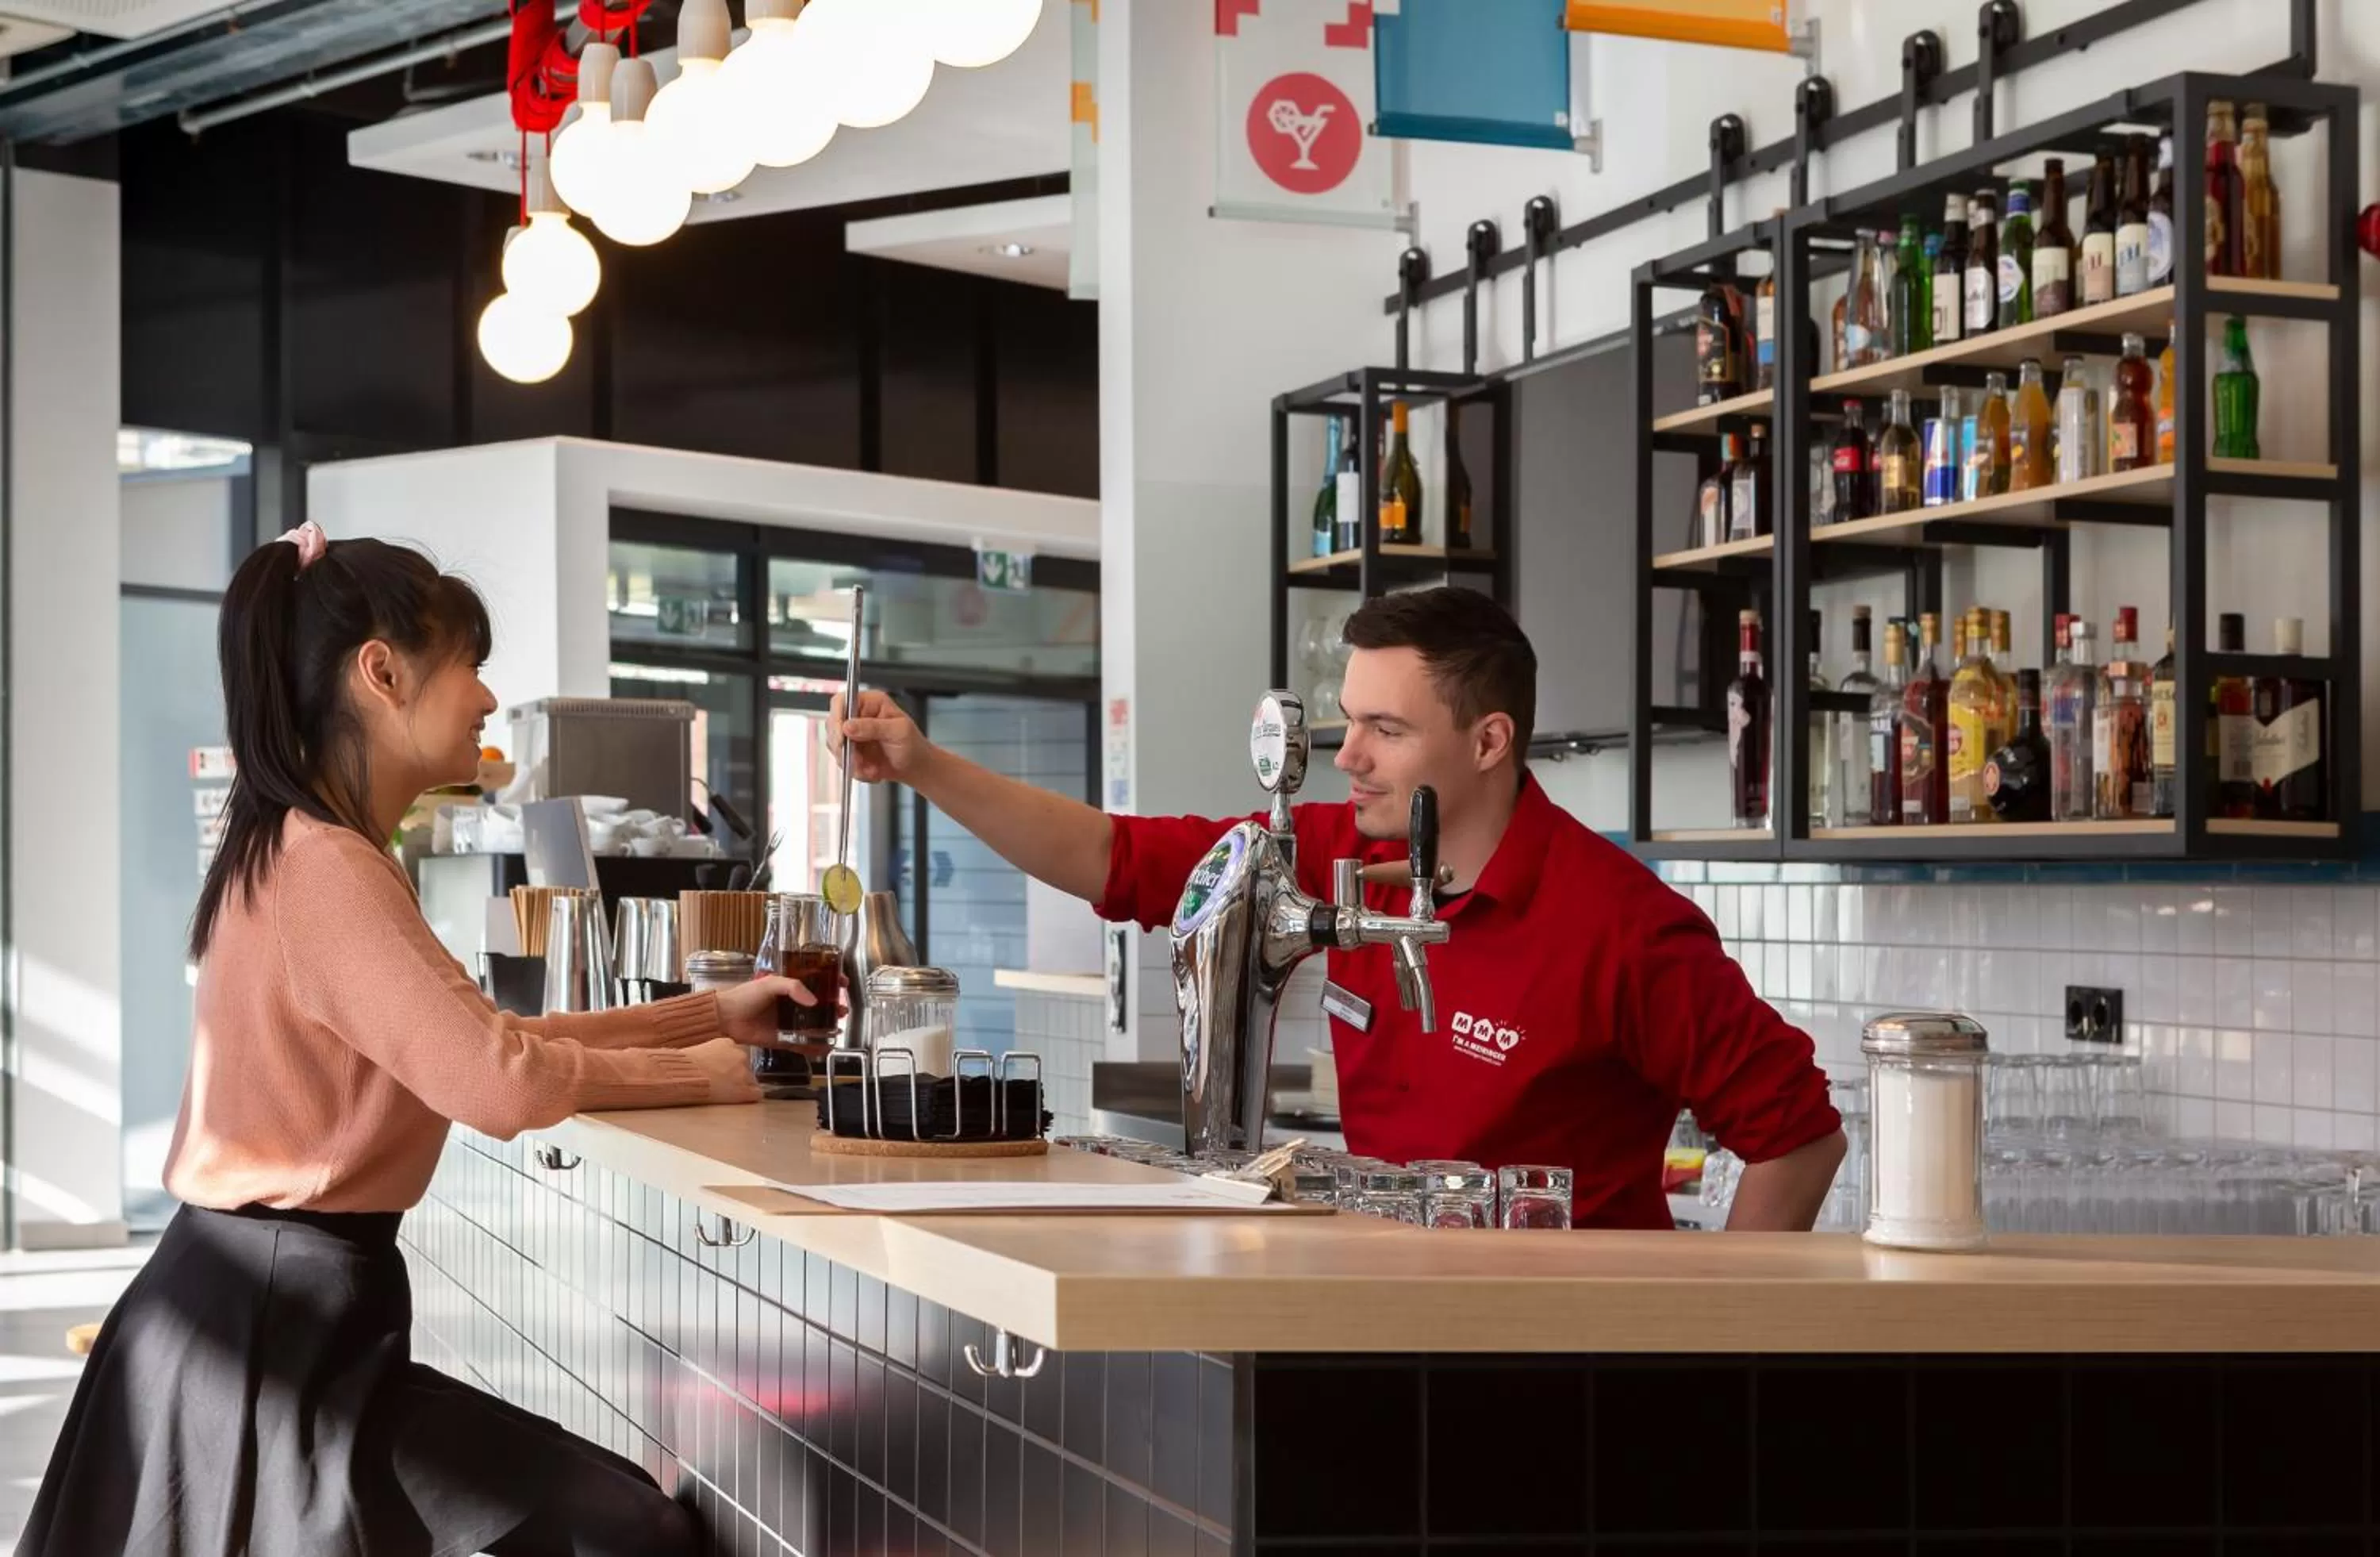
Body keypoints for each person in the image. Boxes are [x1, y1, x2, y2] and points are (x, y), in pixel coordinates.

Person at [21, 522, 800, 1557]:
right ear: (381, 673)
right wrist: (710, 1077)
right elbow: (499, 1080)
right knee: (631, 1528)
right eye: (470, 664)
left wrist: (711, 1014)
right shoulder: (326, 867)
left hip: (276, 1323)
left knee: (626, 1515)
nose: (486, 698)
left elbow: (485, 1039)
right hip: (265, 1340)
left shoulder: (310, 849)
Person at [835, 586, 1846, 1230]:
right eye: (1346, 721)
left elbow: (1800, 1137)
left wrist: (1695, 1346)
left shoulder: (1620, 924)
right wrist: (923, 766)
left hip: (1561, 1362)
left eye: (1386, 729)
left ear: (1489, 742)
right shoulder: (1332, 852)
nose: (1349, 756)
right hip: (1392, 1320)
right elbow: (1117, 857)